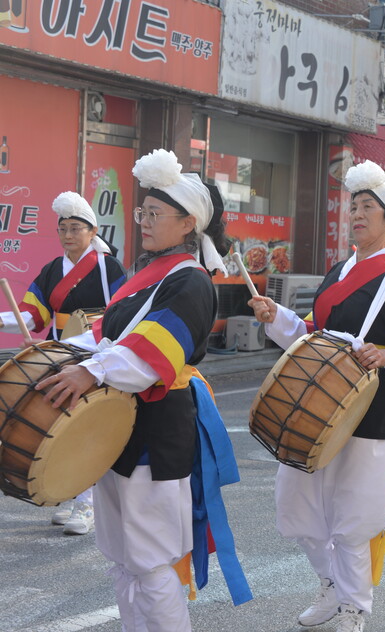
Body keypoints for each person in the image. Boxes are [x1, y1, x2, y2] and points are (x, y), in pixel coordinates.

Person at [35, 148, 251, 628]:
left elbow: (152, 352)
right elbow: (104, 334)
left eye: (155, 214)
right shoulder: (145, 276)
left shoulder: (192, 282)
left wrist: (90, 372)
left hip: (157, 428)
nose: (145, 223)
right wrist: (58, 355)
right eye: (143, 213)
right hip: (118, 425)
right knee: (123, 555)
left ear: (188, 223)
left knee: (152, 559)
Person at [250, 160, 385, 632]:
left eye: (367, 207)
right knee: (298, 504)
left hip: (373, 408)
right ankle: (331, 585)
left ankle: (354, 608)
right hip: (316, 405)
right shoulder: (339, 271)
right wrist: (276, 316)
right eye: (353, 206)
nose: (356, 214)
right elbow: (314, 336)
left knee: (356, 515)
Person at [0, 192, 126, 535]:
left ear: (92, 231)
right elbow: (32, 314)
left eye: (75, 228)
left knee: (89, 427)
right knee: (62, 425)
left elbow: (121, 313)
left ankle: (87, 504)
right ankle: (76, 494)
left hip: (95, 355)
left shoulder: (109, 268)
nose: (68, 235)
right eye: (63, 229)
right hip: (61, 354)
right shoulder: (53, 269)